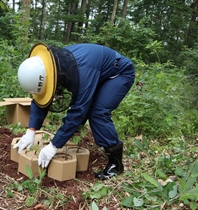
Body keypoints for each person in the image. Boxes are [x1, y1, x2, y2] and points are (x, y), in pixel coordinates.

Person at [13, 42, 135, 180]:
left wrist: (54, 145)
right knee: (85, 102)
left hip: (118, 73)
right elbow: (41, 97)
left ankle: (115, 163)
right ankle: (71, 133)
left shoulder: (81, 72)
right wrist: (31, 131)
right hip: (96, 71)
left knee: (97, 112)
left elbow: (79, 110)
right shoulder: (52, 64)